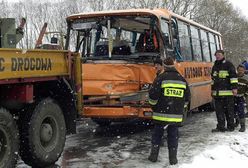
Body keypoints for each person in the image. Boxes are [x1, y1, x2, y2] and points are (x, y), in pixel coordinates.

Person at [148, 57, 190, 165]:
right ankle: (173, 159)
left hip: (160, 115)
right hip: (175, 116)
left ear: (164, 66)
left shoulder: (161, 78)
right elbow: (187, 98)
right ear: (174, 65)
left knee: (157, 136)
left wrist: (153, 107)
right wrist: (180, 109)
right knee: (173, 137)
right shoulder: (181, 79)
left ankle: (153, 156)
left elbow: (153, 96)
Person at [211, 50, 238, 132]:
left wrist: (234, 88)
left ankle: (231, 126)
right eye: (216, 55)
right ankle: (221, 127)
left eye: (219, 54)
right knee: (219, 111)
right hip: (217, 93)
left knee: (229, 111)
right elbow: (213, 79)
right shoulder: (215, 65)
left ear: (223, 55)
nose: (217, 56)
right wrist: (212, 90)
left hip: (228, 93)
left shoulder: (228, 64)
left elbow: (233, 77)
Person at [234, 64, 248, 132]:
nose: (240, 71)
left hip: (242, 97)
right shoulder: (234, 77)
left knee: (241, 111)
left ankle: (243, 126)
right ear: (237, 70)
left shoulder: (246, 78)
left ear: (244, 70)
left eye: (242, 70)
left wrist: (245, 95)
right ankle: (236, 122)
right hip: (233, 97)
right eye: (239, 70)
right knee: (233, 111)